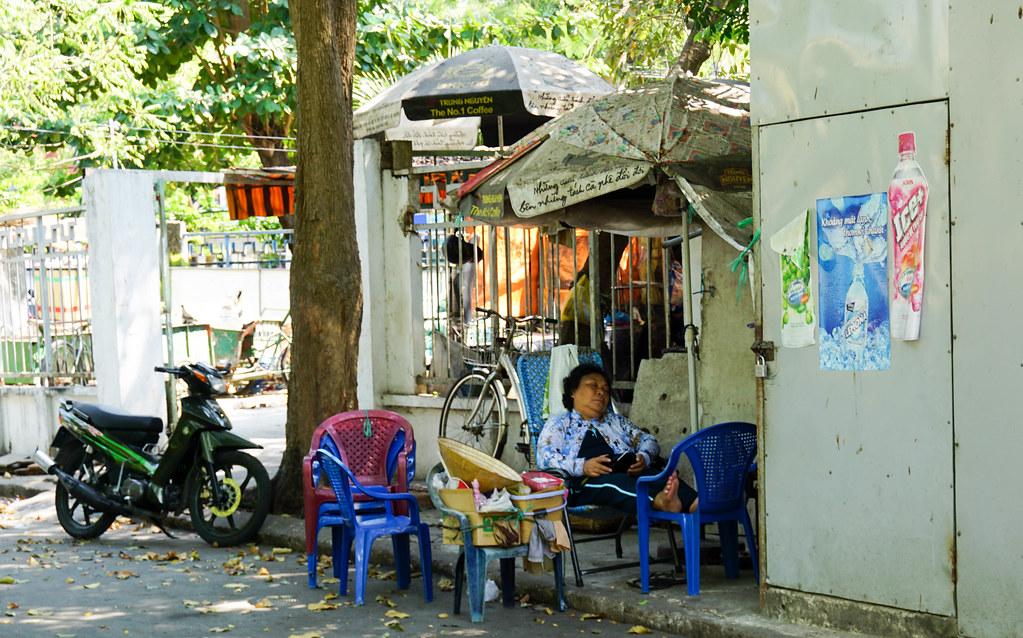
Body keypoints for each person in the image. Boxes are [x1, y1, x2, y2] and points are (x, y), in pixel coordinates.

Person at [536, 363, 698, 514]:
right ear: (573, 391)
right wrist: (583, 466)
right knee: (614, 484)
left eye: (606, 389)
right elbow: (544, 457)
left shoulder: (616, 421)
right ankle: (658, 502)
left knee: (658, 476)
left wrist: (644, 457)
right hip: (583, 484)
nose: (601, 392)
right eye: (593, 385)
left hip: (626, 474)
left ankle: (694, 504)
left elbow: (650, 441)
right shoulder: (560, 423)